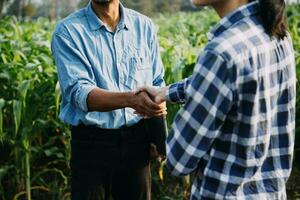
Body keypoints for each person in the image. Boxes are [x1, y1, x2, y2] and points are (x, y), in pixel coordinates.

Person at [139, 0, 296, 199]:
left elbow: (179, 160)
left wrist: (161, 147)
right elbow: (229, 81)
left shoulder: (222, 52)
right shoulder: (276, 31)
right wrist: (166, 92)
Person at [51, 0, 166, 199]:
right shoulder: (68, 32)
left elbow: (157, 83)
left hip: (137, 141)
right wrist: (131, 100)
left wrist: (157, 135)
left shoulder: (144, 26)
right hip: (92, 144)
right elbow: (80, 92)